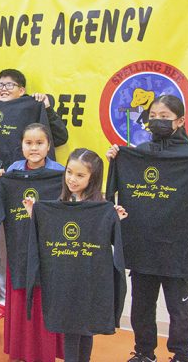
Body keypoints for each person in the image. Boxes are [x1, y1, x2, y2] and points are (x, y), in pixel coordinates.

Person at [106, 95, 188, 362]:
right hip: (142, 244)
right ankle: (144, 353)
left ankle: (181, 356)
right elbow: (109, 193)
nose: (157, 121)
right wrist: (115, 159)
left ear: (180, 121)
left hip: (177, 248)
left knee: (179, 311)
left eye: (165, 117)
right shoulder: (136, 154)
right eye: (153, 116)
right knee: (141, 307)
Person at [0, 68, 68, 322]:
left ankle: (42, 294)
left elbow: (61, 137)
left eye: (10, 85)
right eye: (0, 84)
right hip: (0, 185)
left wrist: (47, 109)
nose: (3, 89)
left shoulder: (33, 108)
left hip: (36, 186)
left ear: (22, 90)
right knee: (0, 242)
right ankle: (4, 298)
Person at [24, 148, 128, 362]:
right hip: (63, 278)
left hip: (89, 278)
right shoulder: (58, 204)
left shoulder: (101, 207)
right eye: (69, 172)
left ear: (93, 177)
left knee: (86, 329)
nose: (72, 179)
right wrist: (35, 215)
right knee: (70, 329)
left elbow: (105, 239)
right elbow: (48, 233)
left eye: (80, 175)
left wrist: (114, 220)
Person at [0, 123, 64, 362]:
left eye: (39, 143)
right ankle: (20, 351)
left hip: (50, 252)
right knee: (21, 300)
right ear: (21, 145)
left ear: (49, 145)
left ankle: (45, 352)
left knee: (46, 301)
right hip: (20, 247)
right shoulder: (11, 173)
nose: (34, 148)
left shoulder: (60, 174)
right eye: (28, 143)